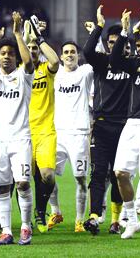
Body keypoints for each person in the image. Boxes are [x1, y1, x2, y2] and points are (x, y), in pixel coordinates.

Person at [0, 12, 36, 245]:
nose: (6, 57)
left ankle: (25, 226)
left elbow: (30, 62)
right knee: (2, 187)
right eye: (3, 54)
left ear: (16, 58)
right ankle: (6, 231)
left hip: (20, 138)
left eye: (10, 54)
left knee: (22, 182)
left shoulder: (24, 77)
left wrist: (17, 34)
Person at [81, 5, 132, 235]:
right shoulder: (101, 62)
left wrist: (127, 31)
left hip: (124, 126)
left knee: (117, 173)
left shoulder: (131, 65)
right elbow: (88, 51)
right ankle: (93, 216)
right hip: (101, 125)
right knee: (98, 172)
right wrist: (98, 27)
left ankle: (115, 219)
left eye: (118, 42)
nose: (114, 46)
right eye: (110, 42)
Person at [109, 10, 140, 239]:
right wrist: (125, 31)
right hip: (132, 124)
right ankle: (132, 221)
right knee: (120, 173)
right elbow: (115, 59)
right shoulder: (135, 65)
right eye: (138, 44)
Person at [21, 14, 61, 234]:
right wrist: (26, 35)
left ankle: (40, 210)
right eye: (30, 48)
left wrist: (39, 37)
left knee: (47, 176)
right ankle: (29, 219)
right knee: (24, 178)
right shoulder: (20, 70)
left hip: (46, 131)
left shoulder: (46, 70)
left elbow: (55, 61)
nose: (33, 50)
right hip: (24, 131)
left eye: (35, 48)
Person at [52, 40, 93, 233]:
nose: (69, 54)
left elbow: (97, 56)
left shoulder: (85, 72)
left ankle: (79, 220)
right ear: (60, 56)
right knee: (47, 176)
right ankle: (56, 211)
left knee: (80, 179)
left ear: (78, 55)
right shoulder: (56, 73)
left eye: (73, 52)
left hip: (79, 133)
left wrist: (96, 33)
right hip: (58, 133)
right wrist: (35, 36)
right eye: (66, 52)